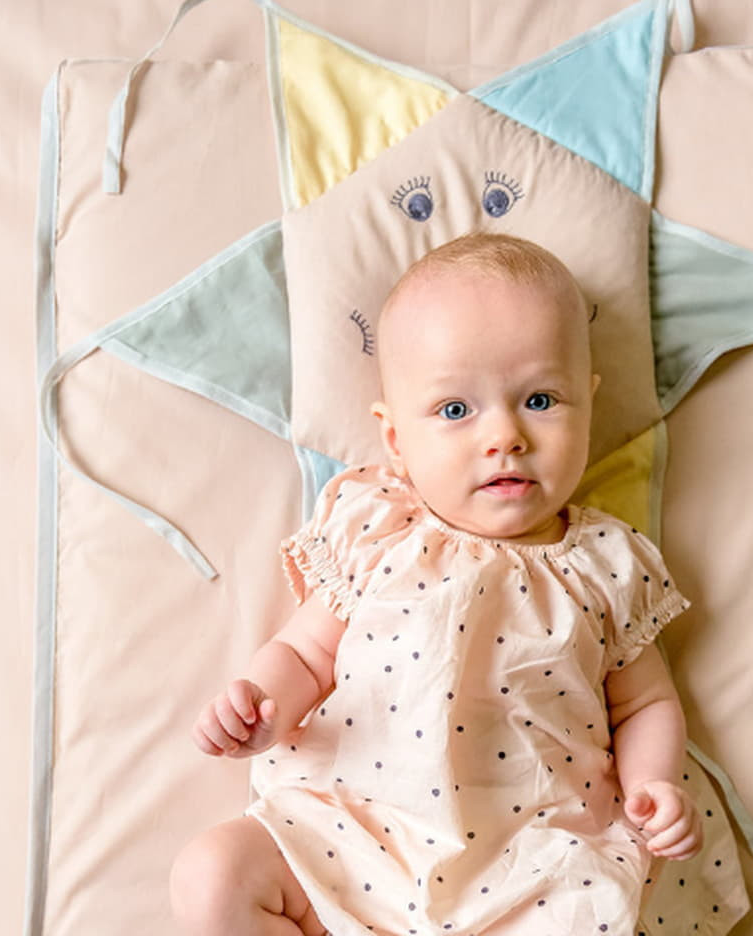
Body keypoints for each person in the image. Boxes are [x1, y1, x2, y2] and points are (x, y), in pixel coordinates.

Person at [170, 233, 702, 936]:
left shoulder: (605, 564)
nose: (505, 435)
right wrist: (263, 708)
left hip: (534, 862)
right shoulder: (377, 527)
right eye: (456, 410)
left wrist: (654, 784)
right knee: (213, 873)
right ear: (395, 439)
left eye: (541, 399)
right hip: (354, 834)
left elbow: (645, 704)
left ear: (589, 405)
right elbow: (304, 653)